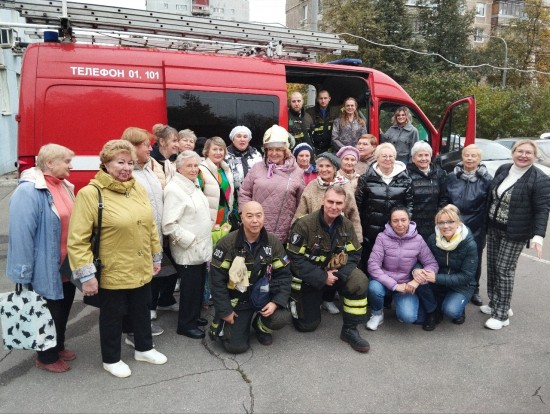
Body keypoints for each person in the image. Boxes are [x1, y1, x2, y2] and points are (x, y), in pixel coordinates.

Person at [68, 140, 167, 378]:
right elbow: (77, 239)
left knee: (142, 310)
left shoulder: (137, 188)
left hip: (141, 266)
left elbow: (150, 226)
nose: (126, 167)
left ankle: (144, 348)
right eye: (120, 162)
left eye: (130, 162)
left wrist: (156, 256)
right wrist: (87, 276)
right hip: (112, 269)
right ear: (105, 163)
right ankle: (111, 359)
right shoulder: (91, 194)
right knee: (112, 316)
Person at [7, 144, 76, 373]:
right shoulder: (29, 191)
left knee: (64, 306)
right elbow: (21, 233)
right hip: (44, 265)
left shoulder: (64, 186)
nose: (70, 166)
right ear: (49, 163)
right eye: (65, 161)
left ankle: (58, 345)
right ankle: (46, 356)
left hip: (66, 264)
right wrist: (23, 272)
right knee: (47, 311)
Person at [287, 186, 370, 353]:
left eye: (338, 203)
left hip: (335, 274)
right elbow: (294, 259)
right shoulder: (304, 224)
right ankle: (302, 301)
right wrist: (321, 276)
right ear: (323, 201)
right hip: (309, 276)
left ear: (344, 205)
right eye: (330, 201)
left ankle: (350, 329)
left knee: (359, 281)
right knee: (306, 326)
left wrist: (339, 274)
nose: (334, 206)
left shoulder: (346, 225)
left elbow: (354, 254)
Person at [483, 139, 550, 330]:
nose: (523, 155)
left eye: (528, 152)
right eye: (520, 151)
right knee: (493, 266)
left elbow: (542, 210)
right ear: (513, 152)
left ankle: (502, 314)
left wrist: (538, 236)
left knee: (504, 270)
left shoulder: (540, 179)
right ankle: (496, 302)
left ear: (535, 156)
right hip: (494, 227)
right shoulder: (504, 169)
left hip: (516, 231)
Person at [209, 201, 292, 353]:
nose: (255, 220)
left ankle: (260, 326)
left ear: (264, 217)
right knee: (236, 347)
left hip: (263, 297)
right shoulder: (227, 244)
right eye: (250, 216)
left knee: (282, 316)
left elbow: (284, 276)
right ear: (242, 219)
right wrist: (225, 310)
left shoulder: (273, 243)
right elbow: (216, 281)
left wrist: (275, 302)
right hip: (238, 300)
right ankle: (224, 322)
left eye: (258, 215)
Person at [292, 152, 362, 315]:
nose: (324, 169)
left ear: (335, 168)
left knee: (337, 265)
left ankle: (328, 298)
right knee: (315, 268)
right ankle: (311, 298)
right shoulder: (311, 187)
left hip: (338, 237)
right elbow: (300, 213)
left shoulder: (345, 187)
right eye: (321, 166)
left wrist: (357, 238)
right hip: (313, 239)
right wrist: (295, 231)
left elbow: (354, 215)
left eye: (328, 166)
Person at [121, 127, 171, 338]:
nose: (151, 148)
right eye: (146, 145)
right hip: (137, 241)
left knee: (148, 284)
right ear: (133, 147)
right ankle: (133, 330)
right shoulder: (128, 174)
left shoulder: (149, 168)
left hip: (154, 237)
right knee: (137, 286)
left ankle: (140, 322)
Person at [163, 151, 213, 339]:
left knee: (197, 285)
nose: (193, 169)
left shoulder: (192, 184)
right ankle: (185, 324)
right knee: (190, 289)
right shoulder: (174, 189)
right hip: (188, 249)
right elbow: (169, 224)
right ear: (179, 168)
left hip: (199, 247)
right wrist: (189, 240)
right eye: (189, 166)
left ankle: (194, 316)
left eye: (196, 165)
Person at [365, 207, 439, 331]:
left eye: (403, 220)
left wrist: (416, 281)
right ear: (390, 222)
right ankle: (377, 314)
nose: (400, 224)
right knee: (373, 288)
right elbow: (373, 265)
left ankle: (402, 308)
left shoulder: (418, 239)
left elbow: (432, 264)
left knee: (408, 317)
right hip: (384, 281)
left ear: (409, 221)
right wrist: (394, 285)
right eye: (395, 221)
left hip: (406, 285)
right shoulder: (382, 237)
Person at [415, 205, 478, 331]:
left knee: (451, 311)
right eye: (441, 222)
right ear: (437, 224)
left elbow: (466, 276)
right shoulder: (433, 239)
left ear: (458, 223)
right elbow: (421, 260)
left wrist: (436, 278)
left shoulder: (469, 244)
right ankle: (433, 311)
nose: (445, 226)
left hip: (461, 285)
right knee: (419, 278)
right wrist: (417, 269)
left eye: (450, 222)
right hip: (438, 282)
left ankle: (459, 307)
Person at [239, 124, 305, 243]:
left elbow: (301, 203)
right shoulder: (257, 168)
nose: (274, 153)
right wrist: (245, 214)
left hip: (284, 232)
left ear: (286, 151)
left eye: (278, 149)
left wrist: (296, 225)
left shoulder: (297, 172)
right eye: (270, 149)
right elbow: (244, 192)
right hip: (255, 228)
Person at [355, 142, 413, 271]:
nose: (388, 159)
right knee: (370, 262)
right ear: (377, 158)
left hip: (395, 230)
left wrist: (404, 225)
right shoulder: (366, 179)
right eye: (384, 156)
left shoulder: (405, 179)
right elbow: (359, 204)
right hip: (370, 230)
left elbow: (410, 204)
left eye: (391, 156)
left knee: (391, 263)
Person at [446, 144, 492, 307]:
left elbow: (489, 205)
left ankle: (474, 289)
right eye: (467, 155)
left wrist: (485, 228)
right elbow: (445, 200)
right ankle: (452, 287)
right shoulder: (452, 177)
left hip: (476, 225)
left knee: (475, 260)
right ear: (462, 157)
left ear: (479, 159)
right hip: (453, 224)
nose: (470, 159)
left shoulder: (487, 179)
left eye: (474, 156)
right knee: (452, 256)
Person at [150, 123, 180, 314]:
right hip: (157, 222)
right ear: (162, 142)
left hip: (170, 218)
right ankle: (151, 306)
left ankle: (166, 299)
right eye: (174, 140)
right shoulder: (152, 163)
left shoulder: (169, 162)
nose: (177, 144)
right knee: (157, 265)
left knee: (172, 263)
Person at [407, 141, 448, 240]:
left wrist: (439, 217)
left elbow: (444, 198)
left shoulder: (439, 173)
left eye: (426, 155)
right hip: (414, 224)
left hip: (434, 223)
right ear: (413, 158)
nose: (424, 158)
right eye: (420, 155)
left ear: (431, 157)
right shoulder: (406, 174)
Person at [199, 136, 235, 227]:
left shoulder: (226, 169)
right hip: (208, 222)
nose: (218, 153)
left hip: (225, 220)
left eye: (221, 149)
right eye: (214, 149)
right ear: (207, 151)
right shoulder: (201, 170)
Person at [224, 125, 263, 200]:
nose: (242, 139)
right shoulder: (225, 156)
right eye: (238, 136)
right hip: (231, 199)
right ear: (233, 139)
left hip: (253, 199)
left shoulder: (257, 155)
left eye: (245, 137)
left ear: (249, 140)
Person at [306, 90, 340, 156]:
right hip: (315, 148)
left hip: (331, 148)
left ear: (329, 99)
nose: (323, 101)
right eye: (321, 98)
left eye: (325, 98)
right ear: (317, 99)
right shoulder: (309, 112)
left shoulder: (336, 112)